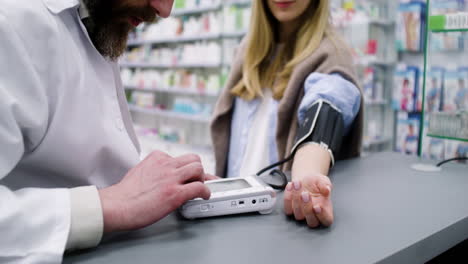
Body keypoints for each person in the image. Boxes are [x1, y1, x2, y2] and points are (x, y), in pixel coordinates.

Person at [0, 0, 214, 263]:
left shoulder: (98, 21)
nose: (164, 10)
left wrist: (161, 184)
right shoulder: (10, 21)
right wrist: (107, 206)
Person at [211, 0, 363, 228]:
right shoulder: (247, 50)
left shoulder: (332, 52)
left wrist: (305, 177)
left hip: (278, 219)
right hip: (235, 209)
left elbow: (330, 101)